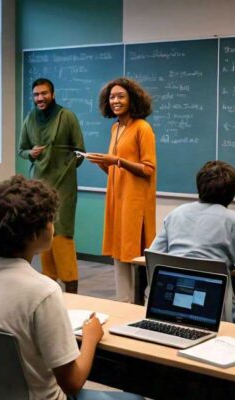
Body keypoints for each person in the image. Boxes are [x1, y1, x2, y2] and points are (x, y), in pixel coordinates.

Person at [0, 175, 142, 400]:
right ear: (34, 233)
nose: (53, 227)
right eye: (50, 220)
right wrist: (91, 338)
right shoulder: (43, 291)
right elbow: (72, 383)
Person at [149, 160, 235, 332]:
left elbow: (153, 259)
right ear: (233, 193)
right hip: (215, 313)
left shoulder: (175, 214)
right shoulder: (234, 223)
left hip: (171, 306)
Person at [86, 78, 156, 303]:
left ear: (132, 99)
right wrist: (103, 163)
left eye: (120, 96)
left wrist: (117, 161)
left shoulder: (142, 128)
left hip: (135, 204)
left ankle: (137, 305)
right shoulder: (116, 127)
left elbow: (148, 169)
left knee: (133, 255)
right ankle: (123, 303)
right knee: (119, 255)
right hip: (117, 200)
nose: (115, 100)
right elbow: (118, 170)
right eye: (112, 97)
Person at [18, 78, 85, 294]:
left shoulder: (67, 116)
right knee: (43, 231)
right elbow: (22, 149)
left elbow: (80, 152)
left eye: (44, 93)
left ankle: (71, 287)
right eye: (36, 94)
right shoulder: (30, 118)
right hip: (39, 186)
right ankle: (49, 287)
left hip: (64, 184)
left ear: (53, 94)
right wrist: (31, 154)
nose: (40, 98)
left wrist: (64, 165)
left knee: (62, 233)